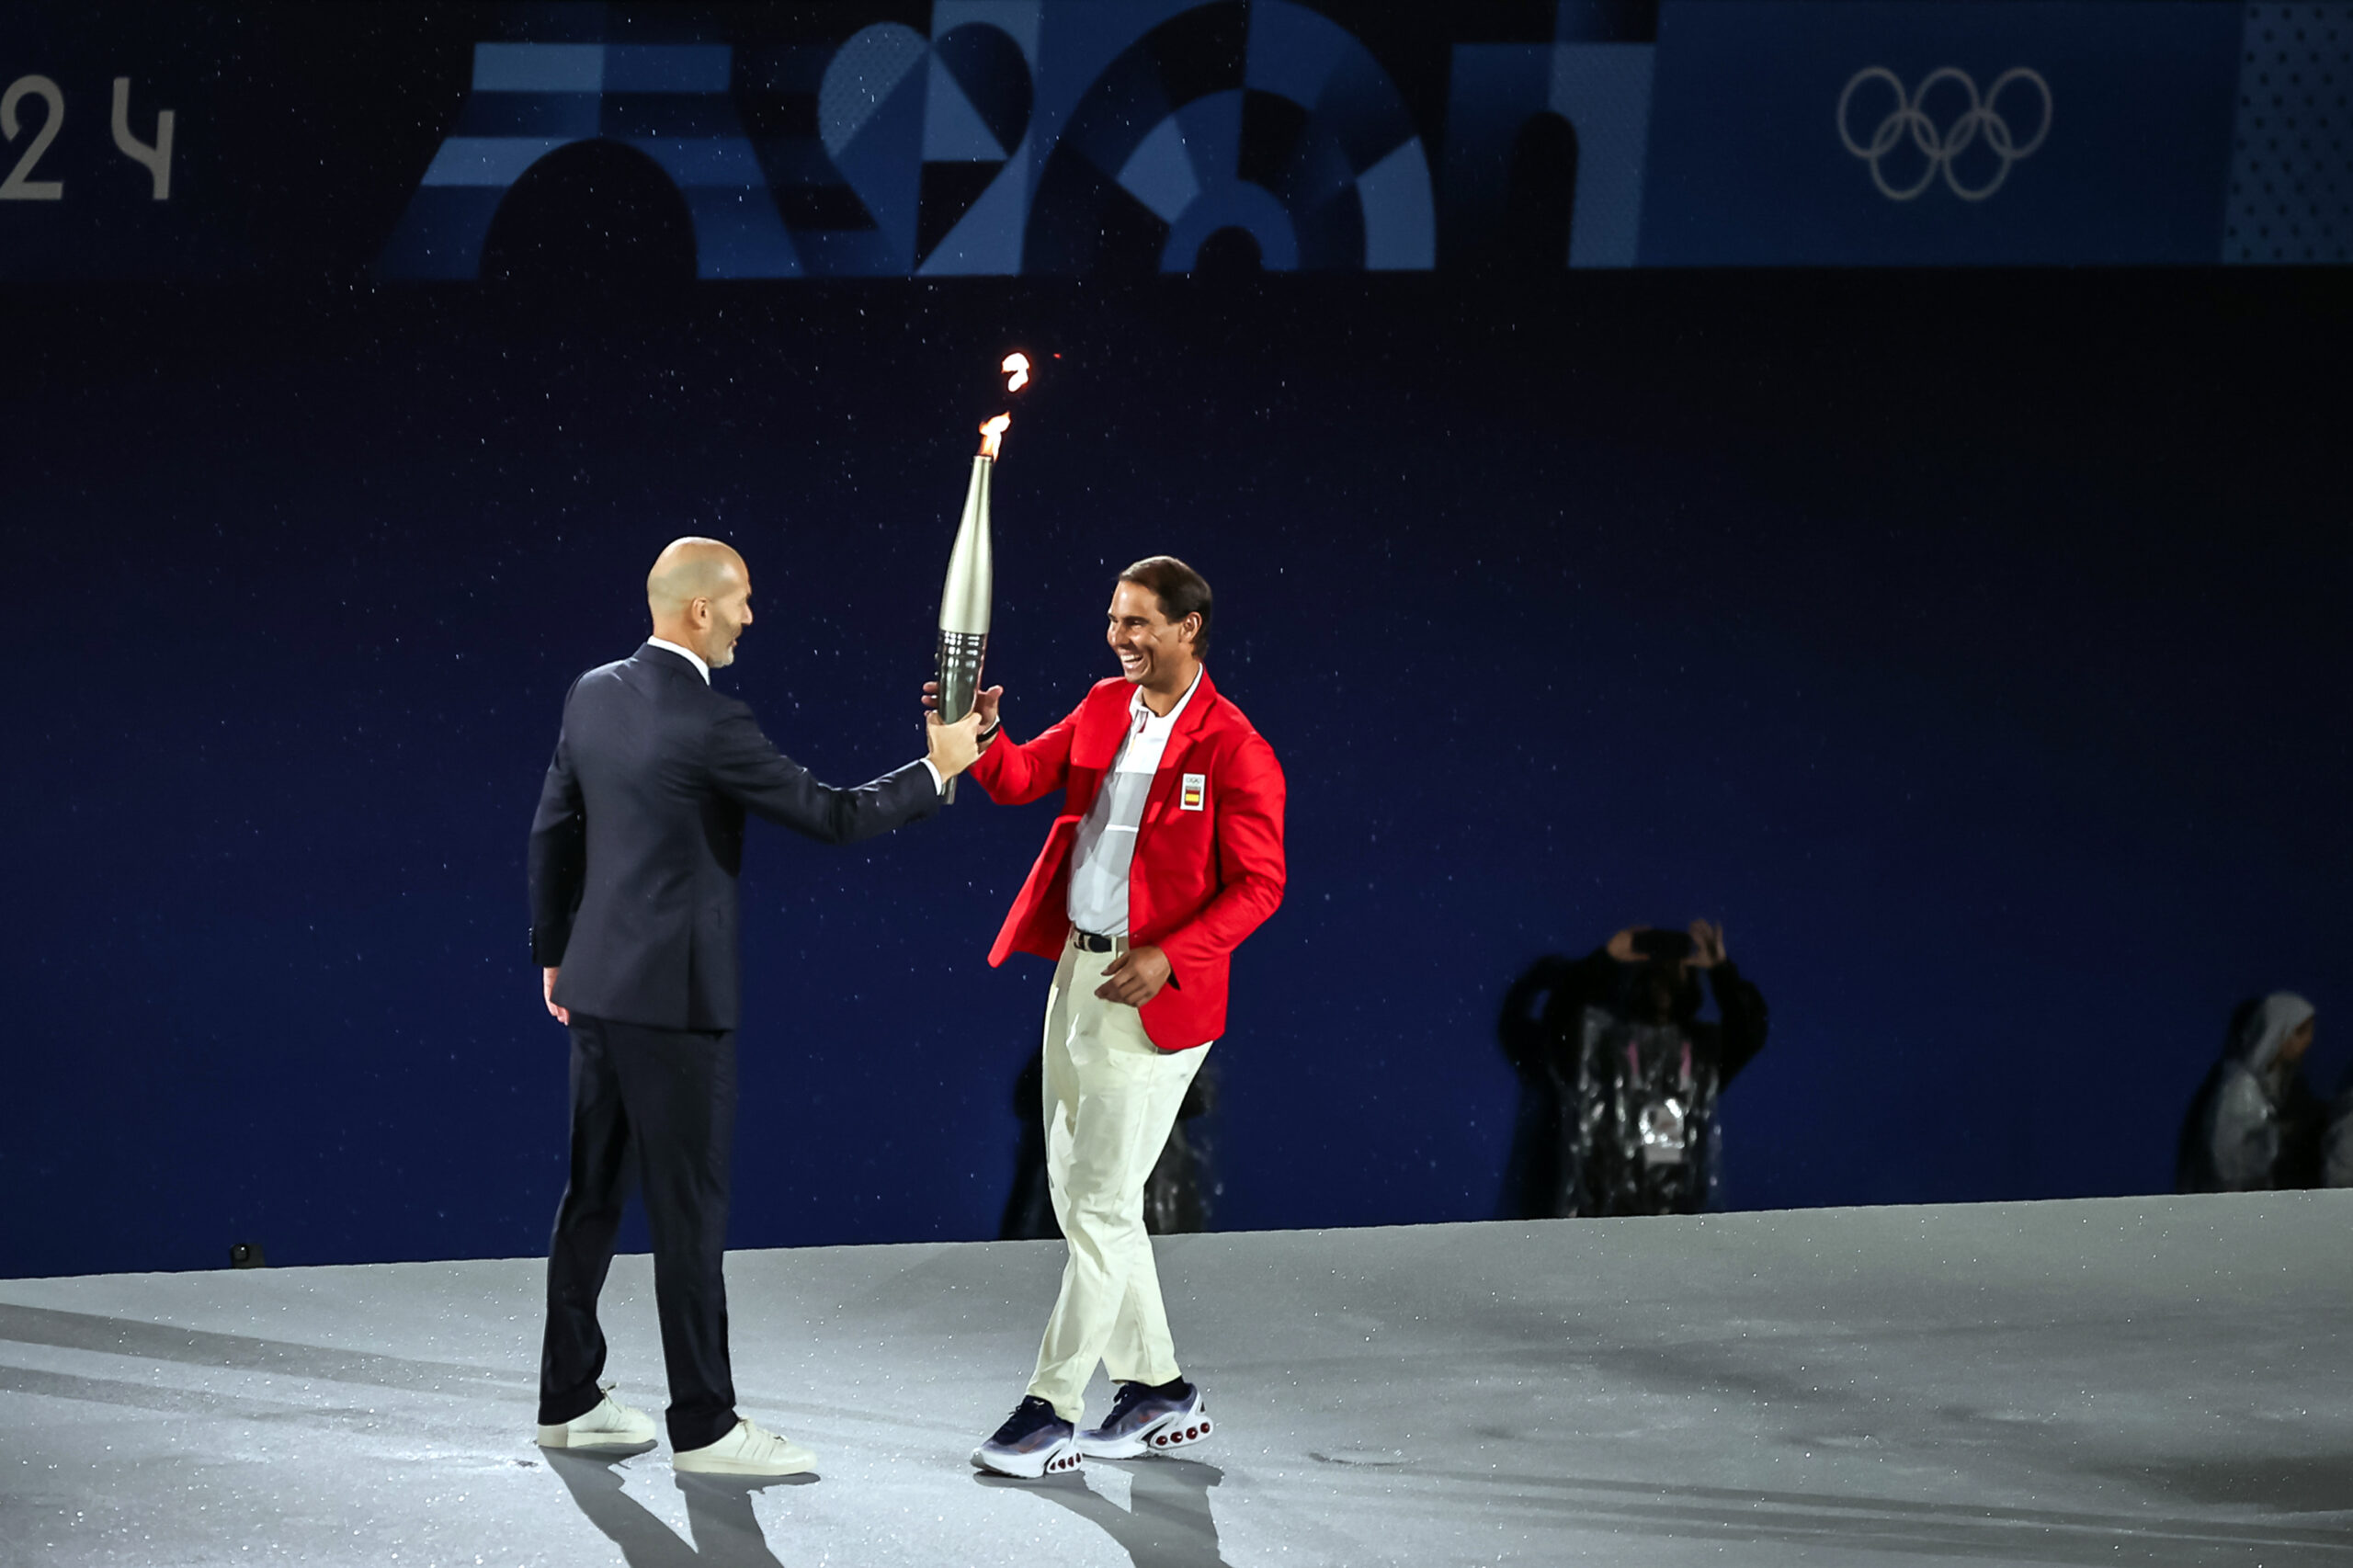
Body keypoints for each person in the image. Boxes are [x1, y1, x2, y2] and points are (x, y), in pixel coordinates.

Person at [526, 537, 983, 1477]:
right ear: (698, 610)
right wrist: (938, 767)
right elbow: (835, 814)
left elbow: (552, 825)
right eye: (739, 600)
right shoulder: (711, 721)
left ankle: (567, 1400)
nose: (748, 615)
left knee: (592, 1197)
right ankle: (704, 1425)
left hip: (598, 988)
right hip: (678, 1004)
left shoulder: (592, 691)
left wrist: (554, 954)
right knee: (688, 1213)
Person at [928, 555, 1286, 1479]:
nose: (1120, 638)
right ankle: (1157, 1388)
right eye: (1114, 621)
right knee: (1085, 1195)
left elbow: (1260, 885)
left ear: (1189, 626)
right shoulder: (1098, 706)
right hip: (1076, 973)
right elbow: (1015, 779)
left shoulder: (1233, 746)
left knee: (1095, 1200)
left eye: (1138, 623)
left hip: (1154, 992)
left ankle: (1050, 1407)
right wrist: (980, 733)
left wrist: (1171, 952)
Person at [1496, 921, 1768, 1219]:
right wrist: (1604, 962)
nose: (1662, 973)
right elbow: (1556, 1024)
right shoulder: (1600, 1046)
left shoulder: (1700, 1052)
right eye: (1655, 966)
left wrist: (1722, 972)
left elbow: (1749, 1034)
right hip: (1598, 1219)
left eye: (1672, 964)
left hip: (1673, 1222)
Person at [2177, 993, 2323, 1193]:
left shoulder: (2280, 1085)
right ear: (2278, 1032)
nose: (2308, 1040)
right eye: (2300, 1032)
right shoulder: (2241, 1088)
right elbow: (2227, 1161)